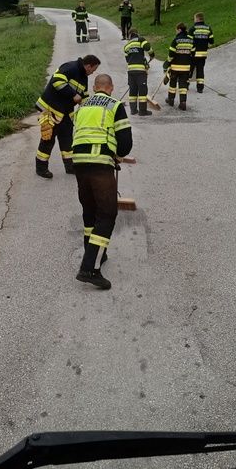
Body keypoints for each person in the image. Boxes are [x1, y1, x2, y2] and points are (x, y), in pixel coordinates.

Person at [72, 74, 132, 290]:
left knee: (90, 211)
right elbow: (125, 143)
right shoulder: (115, 105)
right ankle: (89, 269)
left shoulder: (82, 106)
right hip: (100, 163)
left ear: (94, 87)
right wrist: (118, 156)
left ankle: (97, 252)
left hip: (79, 163)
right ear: (111, 88)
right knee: (107, 214)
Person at [35, 54, 101, 178]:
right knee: (48, 139)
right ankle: (41, 168)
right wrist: (73, 95)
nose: (93, 72)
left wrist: (91, 108)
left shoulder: (83, 77)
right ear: (88, 66)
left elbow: (84, 95)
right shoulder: (71, 67)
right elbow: (57, 81)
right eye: (94, 69)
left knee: (67, 139)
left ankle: (70, 166)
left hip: (65, 112)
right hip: (51, 109)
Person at [164, 22, 195, 110]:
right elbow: (193, 53)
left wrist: (167, 63)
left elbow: (171, 54)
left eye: (176, 30)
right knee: (183, 85)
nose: (176, 32)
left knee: (172, 84)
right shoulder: (191, 40)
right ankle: (183, 102)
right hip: (186, 67)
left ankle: (171, 100)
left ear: (179, 30)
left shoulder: (176, 40)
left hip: (175, 67)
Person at [123, 28, 154, 116]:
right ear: (137, 33)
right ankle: (142, 111)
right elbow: (148, 48)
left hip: (131, 71)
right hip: (140, 71)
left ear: (130, 35)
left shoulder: (127, 45)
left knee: (133, 90)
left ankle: (133, 110)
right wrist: (152, 55)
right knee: (142, 90)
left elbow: (127, 59)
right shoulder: (140, 40)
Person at [188, 12, 215, 93]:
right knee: (200, 70)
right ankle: (200, 88)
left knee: (189, 70)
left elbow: (188, 42)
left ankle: (185, 85)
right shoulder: (208, 28)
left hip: (193, 54)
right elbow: (211, 41)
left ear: (197, 19)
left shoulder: (193, 29)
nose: (194, 20)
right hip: (203, 54)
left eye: (194, 18)